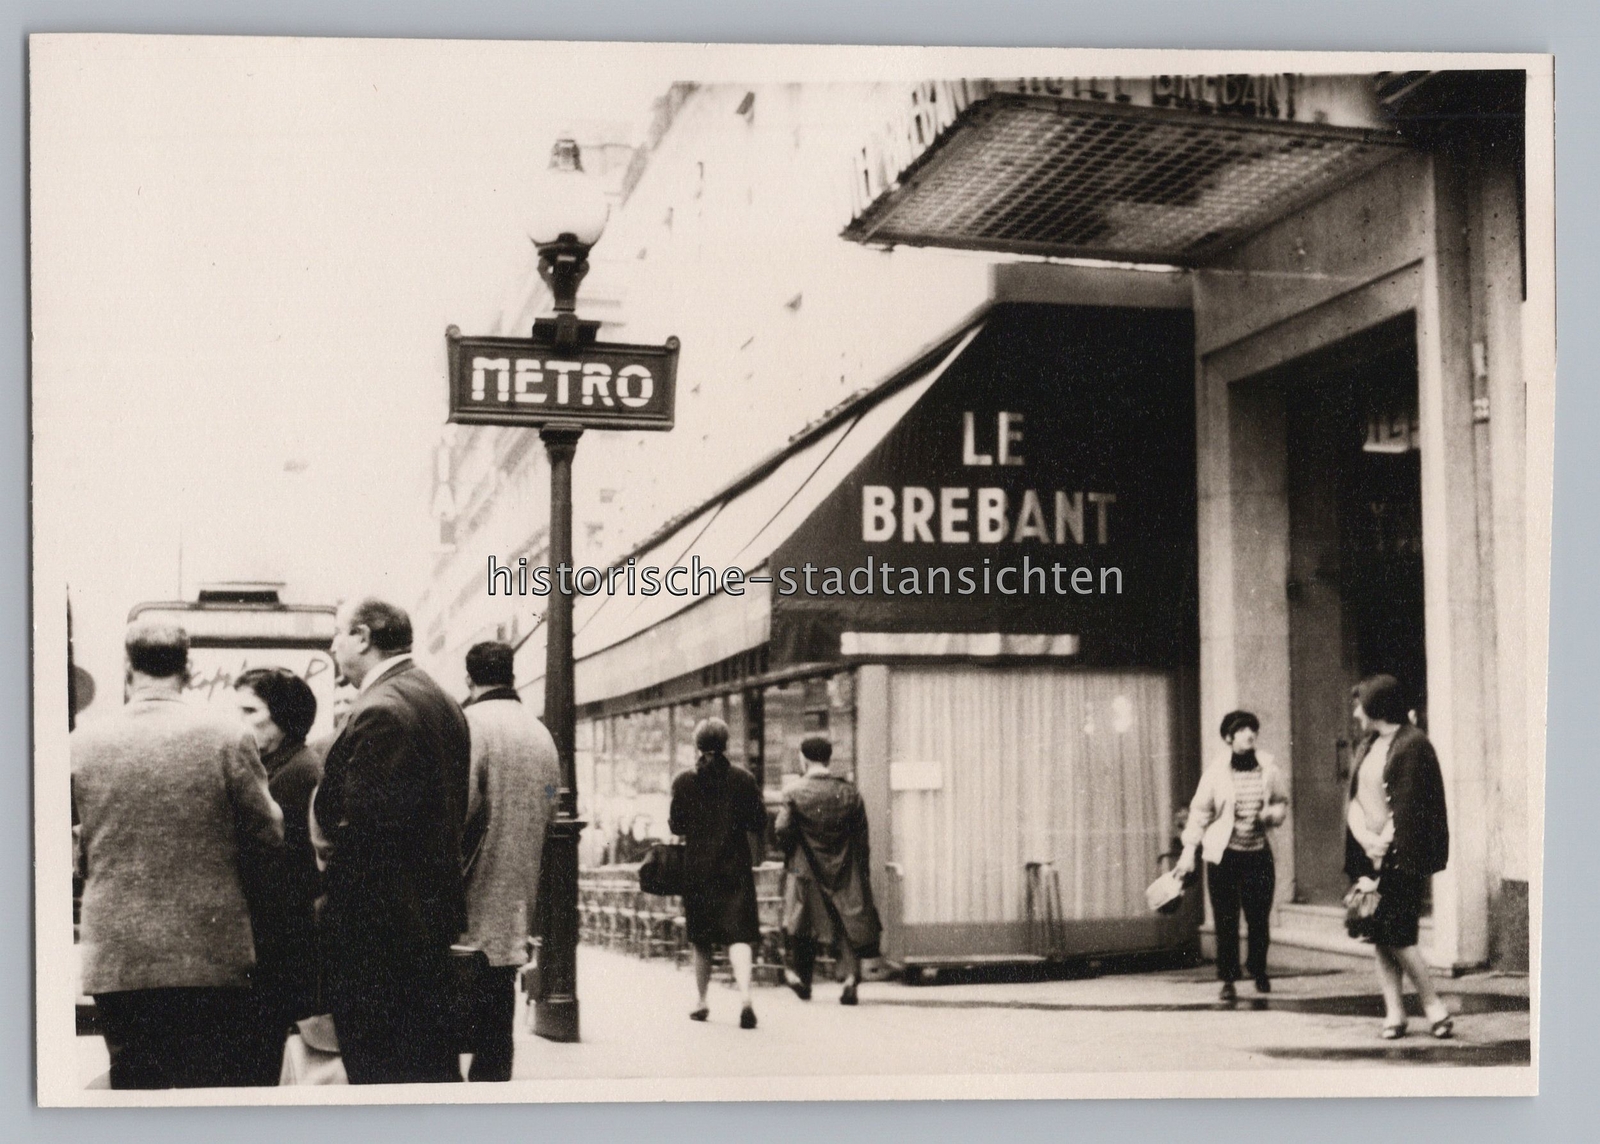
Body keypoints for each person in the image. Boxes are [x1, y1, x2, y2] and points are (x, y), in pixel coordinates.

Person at [72, 621, 285, 1088]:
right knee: (205, 1090)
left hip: (118, 954)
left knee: (135, 1089)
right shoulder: (228, 735)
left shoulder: (82, 742)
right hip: (208, 954)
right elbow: (268, 835)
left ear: (129, 668)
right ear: (187, 669)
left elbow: (74, 846)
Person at [312, 597, 471, 1083]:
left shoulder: (382, 709)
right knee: (425, 1071)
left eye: (338, 634)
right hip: (420, 925)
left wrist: (328, 894)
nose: (334, 646)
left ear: (362, 636)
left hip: (380, 940)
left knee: (383, 1075)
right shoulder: (436, 698)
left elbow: (367, 834)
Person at [458, 641, 560, 1082]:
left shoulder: (469, 725)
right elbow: (551, 812)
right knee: (497, 1027)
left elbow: (460, 810)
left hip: (466, 900)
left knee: (448, 1026)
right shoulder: (541, 734)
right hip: (517, 897)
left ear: (469, 679)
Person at [1345, 674, 1453, 1040]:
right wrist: (1364, 838)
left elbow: (1412, 805)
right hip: (1369, 853)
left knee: (1400, 935)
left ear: (1377, 706)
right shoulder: (1367, 745)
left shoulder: (1414, 744)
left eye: (1361, 704)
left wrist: (1383, 843)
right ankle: (1395, 1013)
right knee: (1379, 934)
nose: (1356, 712)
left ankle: (1434, 1006)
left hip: (1400, 855)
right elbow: (1354, 799)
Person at [232, 668, 324, 1082]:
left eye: (250, 710)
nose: (240, 721)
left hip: (279, 949)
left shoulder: (297, 774)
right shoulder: (279, 766)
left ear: (283, 717)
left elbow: (280, 866)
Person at [1175, 710, 1289, 1001]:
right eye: (1241, 730)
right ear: (1229, 738)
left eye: (1252, 729)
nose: (1249, 734)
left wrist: (1272, 815)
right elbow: (1200, 813)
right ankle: (1228, 979)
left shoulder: (1268, 768)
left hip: (1259, 854)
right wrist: (1188, 852)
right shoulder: (1215, 772)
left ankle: (1258, 970)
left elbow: (1280, 802)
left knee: (1259, 916)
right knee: (1226, 919)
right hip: (1224, 856)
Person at [668, 717, 766, 1029]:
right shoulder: (743, 779)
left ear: (696, 746)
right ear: (726, 744)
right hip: (735, 865)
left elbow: (676, 826)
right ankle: (746, 998)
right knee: (739, 935)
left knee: (702, 939)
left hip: (698, 869)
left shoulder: (684, 782)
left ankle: (701, 1001)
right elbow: (757, 822)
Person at [774, 736, 882, 1006]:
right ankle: (849, 979)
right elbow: (862, 837)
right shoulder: (849, 792)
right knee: (847, 921)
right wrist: (862, 870)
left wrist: (792, 853)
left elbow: (782, 830)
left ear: (803, 758)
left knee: (803, 924)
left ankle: (804, 980)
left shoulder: (793, 792)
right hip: (845, 866)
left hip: (806, 868)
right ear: (829, 759)